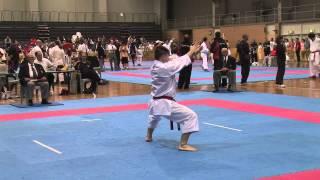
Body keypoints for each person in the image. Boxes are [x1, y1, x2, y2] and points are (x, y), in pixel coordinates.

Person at [145, 45, 201, 152]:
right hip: (164, 103)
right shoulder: (163, 68)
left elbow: (176, 59)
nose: (169, 57)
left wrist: (193, 52)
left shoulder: (155, 64)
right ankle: (183, 144)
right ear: (162, 56)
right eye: (167, 55)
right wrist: (191, 51)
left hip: (155, 101)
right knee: (191, 116)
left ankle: (148, 136)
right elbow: (179, 62)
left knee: (154, 117)